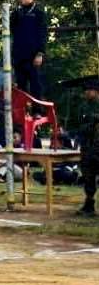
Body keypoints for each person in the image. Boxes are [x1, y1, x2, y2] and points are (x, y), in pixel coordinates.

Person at [62, 76, 99, 216]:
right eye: (85, 90)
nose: (86, 93)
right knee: (88, 176)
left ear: (96, 91)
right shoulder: (83, 106)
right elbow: (77, 124)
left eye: (89, 90)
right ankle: (89, 204)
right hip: (87, 146)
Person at [11, 0, 48, 98]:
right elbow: (10, 30)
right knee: (21, 86)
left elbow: (42, 34)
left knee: (36, 84)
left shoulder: (39, 13)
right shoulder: (16, 13)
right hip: (19, 56)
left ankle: (37, 111)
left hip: (33, 56)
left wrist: (40, 53)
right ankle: (23, 111)